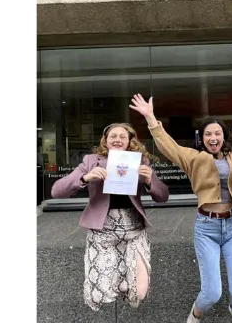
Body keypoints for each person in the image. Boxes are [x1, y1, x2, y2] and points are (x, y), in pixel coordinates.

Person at [129, 94, 232, 323]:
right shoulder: (194, 158)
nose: (213, 138)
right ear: (202, 138)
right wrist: (151, 117)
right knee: (212, 292)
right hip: (206, 227)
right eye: (208, 134)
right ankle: (196, 314)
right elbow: (168, 145)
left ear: (224, 136)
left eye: (217, 133)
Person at [51, 123, 170, 311]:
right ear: (105, 141)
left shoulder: (140, 162)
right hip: (103, 230)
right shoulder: (91, 161)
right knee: (101, 292)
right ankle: (116, 286)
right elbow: (56, 191)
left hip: (133, 229)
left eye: (122, 136)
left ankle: (125, 286)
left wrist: (150, 180)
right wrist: (85, 178)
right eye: (113, 136)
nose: (117, 140)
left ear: (130, 141)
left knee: (139, 291)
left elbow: (163, 197)